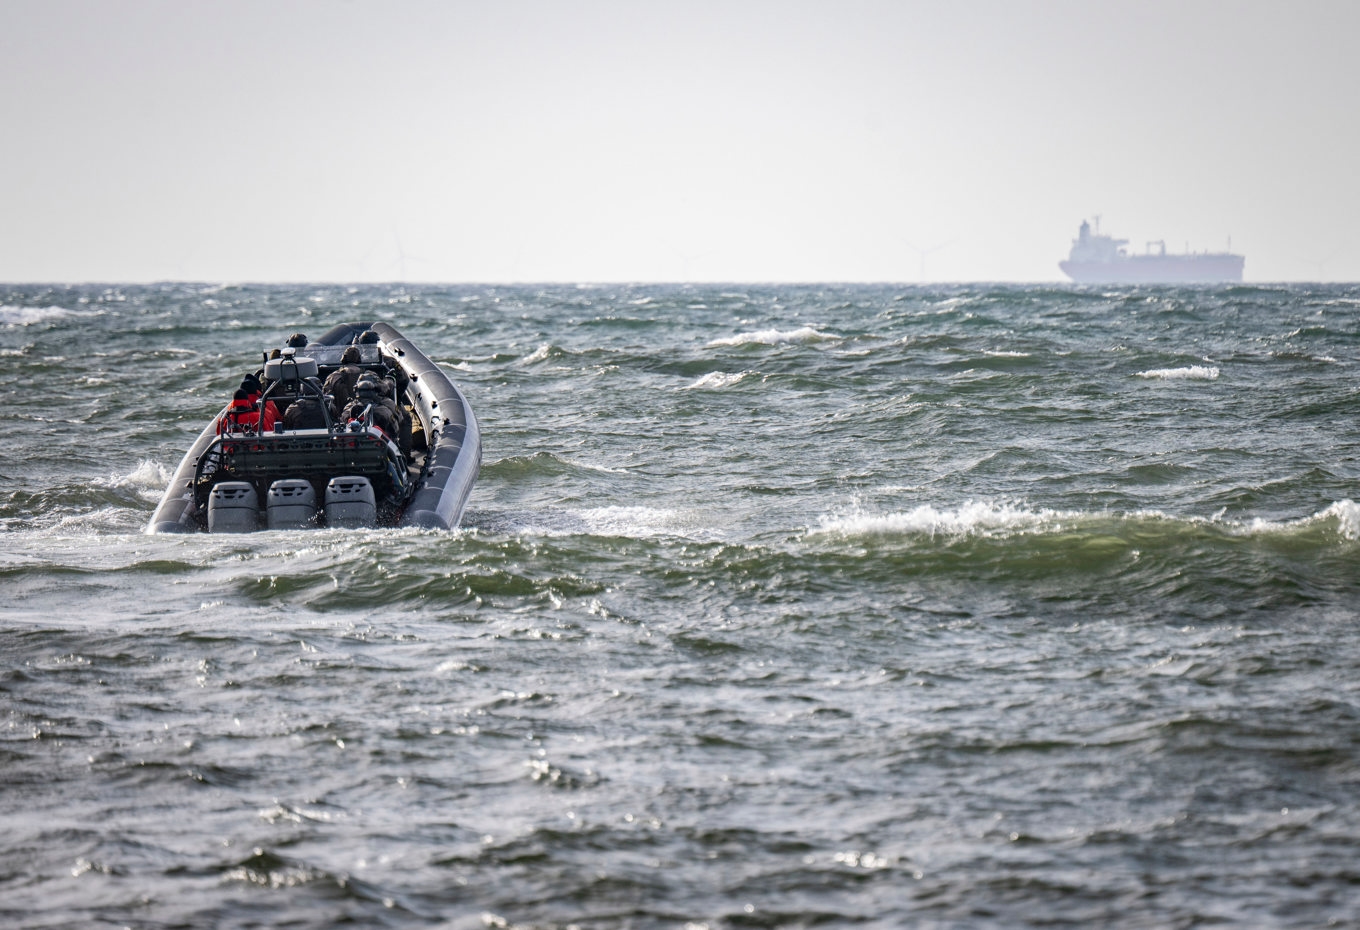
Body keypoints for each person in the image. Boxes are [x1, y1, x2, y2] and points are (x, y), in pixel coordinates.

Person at [322, 346, 364, 414]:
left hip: (340, 416)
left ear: (343, 357)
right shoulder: (368, 375)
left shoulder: (333, 376)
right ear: (359, 358)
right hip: (365, 415)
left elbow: (326, 396)